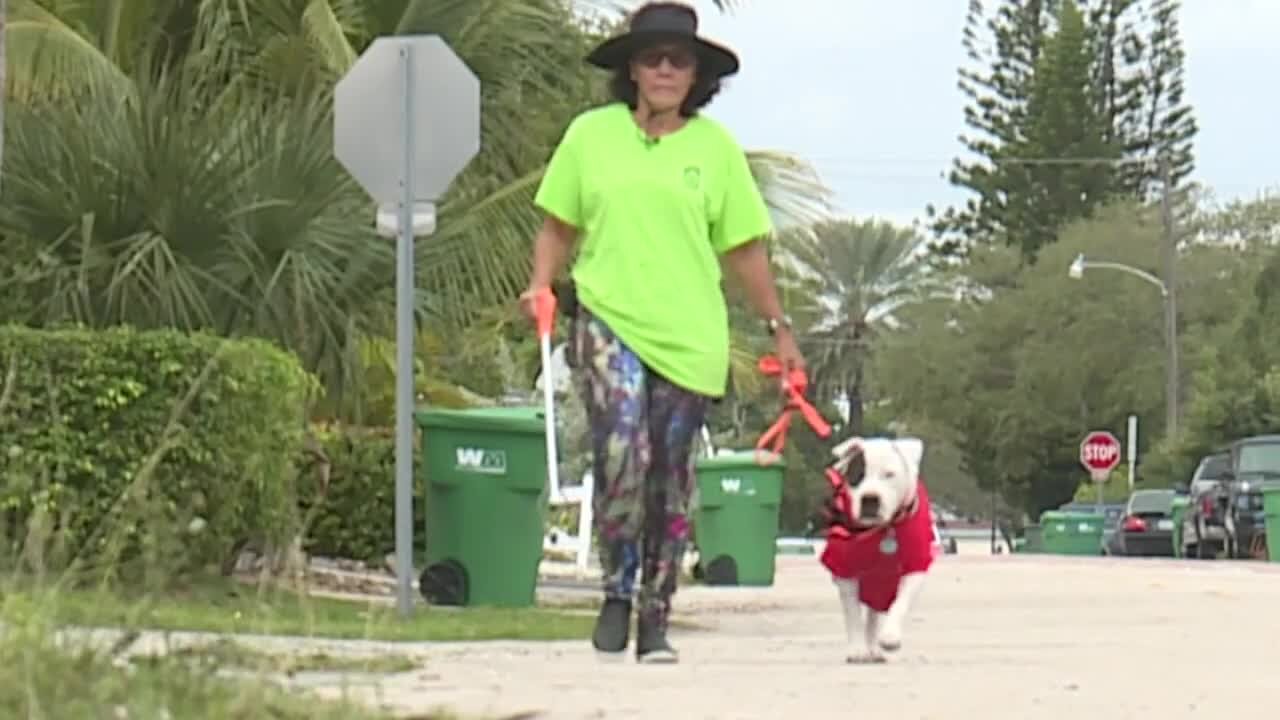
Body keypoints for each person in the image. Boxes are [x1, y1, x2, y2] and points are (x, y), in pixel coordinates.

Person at [519, 1, 804, 664]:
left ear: (697, 74)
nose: (667, 70)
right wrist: (542, 282)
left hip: (689, 337)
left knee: (668, 479)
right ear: (632, 69)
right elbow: (558, 224)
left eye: (680, 60)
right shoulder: (591, 136)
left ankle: (655, 615)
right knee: (623, 455)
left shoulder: (716, 150)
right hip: (608, 321)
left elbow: (744, 250)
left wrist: (778, 328)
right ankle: (616, 591)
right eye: (654, 58)